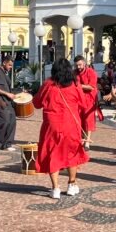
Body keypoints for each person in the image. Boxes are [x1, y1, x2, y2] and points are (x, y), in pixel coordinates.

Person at [34, 58, 90, 199]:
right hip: (71, 124)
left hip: (51, 125)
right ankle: (71, 184)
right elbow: (83, 104)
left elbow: (37, 103)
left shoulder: (48, 84)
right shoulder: (75, 85)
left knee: (52, 154)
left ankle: (55, 188)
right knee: (72, 154)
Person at [0, 55, 18, 152]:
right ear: (4, 62)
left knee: (12, 122)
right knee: (3, 122)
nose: (11, 67)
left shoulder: (5, 73)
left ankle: (7, 144)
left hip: (8, 103)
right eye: (9, 65)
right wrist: (7, 94)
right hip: (0, 102)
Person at [74, 55, 99, 149]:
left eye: (80, 65)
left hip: (89, 99)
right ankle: (80, 139)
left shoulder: (91, 72)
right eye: (76, 65)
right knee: (78, 119)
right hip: (78, 99)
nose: (78, 67)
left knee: (88, 120)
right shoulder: (74, 73)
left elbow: (91, 87)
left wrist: (78, 85)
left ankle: (87, 141)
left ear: (84, 63)